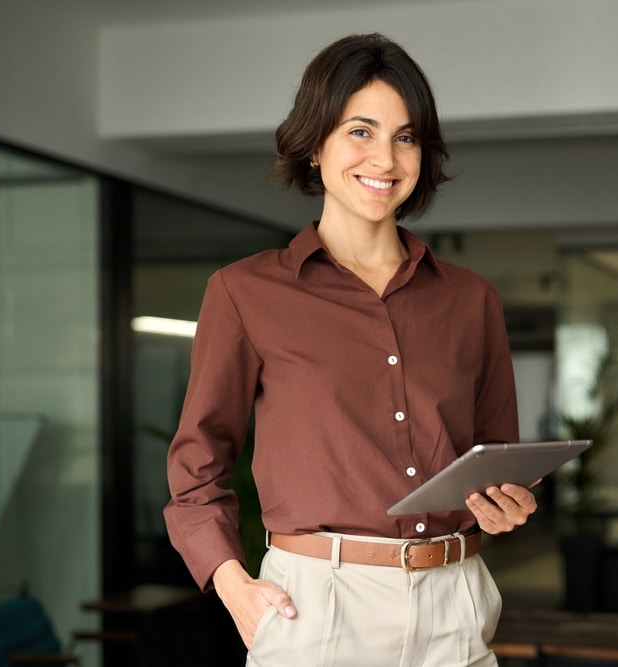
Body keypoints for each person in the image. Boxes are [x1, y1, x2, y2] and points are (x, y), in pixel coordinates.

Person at [163, 33, 537, 667]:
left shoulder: (472, 301)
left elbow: (494, 464)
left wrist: (505, 508)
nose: (385, 158)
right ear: (315, 146)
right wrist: (233, 586)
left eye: (406, 136)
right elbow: (196, 469)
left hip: (455, 602)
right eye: (360, 131)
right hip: (319, 606)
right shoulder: (243, 292)